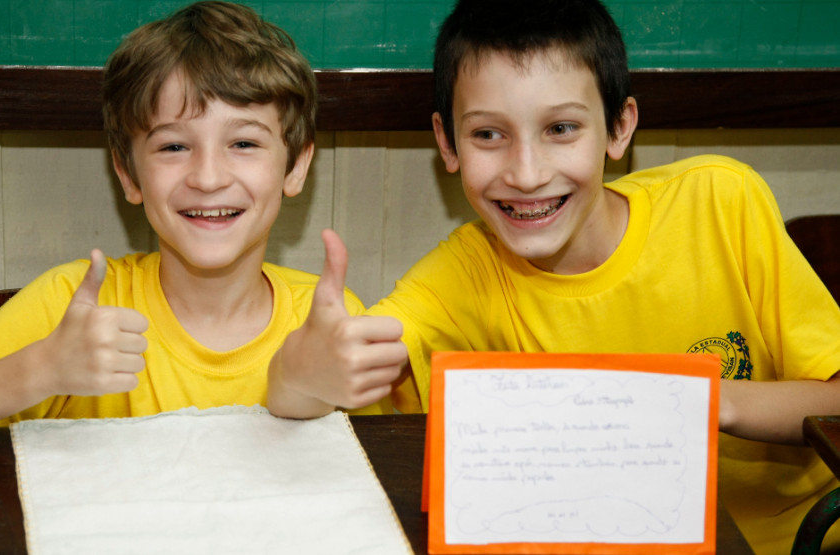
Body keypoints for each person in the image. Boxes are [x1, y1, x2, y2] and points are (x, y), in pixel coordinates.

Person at [266, 0, 840, 552]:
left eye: (561, 129)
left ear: (619, 128)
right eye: (488, 135)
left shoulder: (719, 201)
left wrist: (701, 400)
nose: (527, 173)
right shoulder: (455, 280)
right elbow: (306, 388)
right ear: (447, 142)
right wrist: (301, 371)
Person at [0, 1, 395, 456]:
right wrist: (41, 369)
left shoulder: (326, 320)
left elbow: (369, 465)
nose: (208, 177)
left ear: (296, 166)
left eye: (243, 143)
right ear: (128, 175)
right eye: (173, 147)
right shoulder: (74, 307)